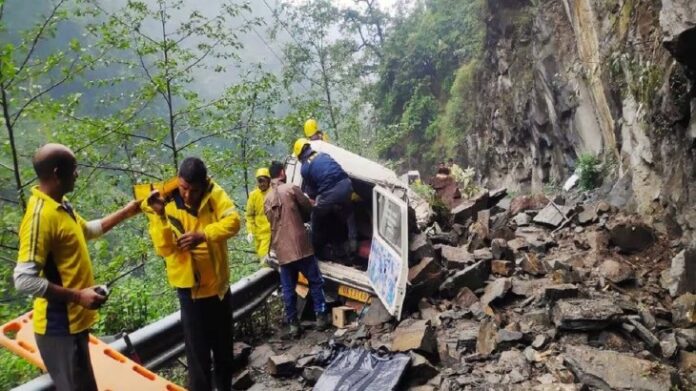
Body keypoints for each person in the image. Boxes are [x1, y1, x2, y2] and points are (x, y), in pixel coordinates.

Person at [14, 143, 141, 391]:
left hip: (74, 325)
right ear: (57, 172)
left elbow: (87, 230)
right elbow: (23, 280)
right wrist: (77, 296)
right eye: (74, 169)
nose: (77, 174)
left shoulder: (61, 206)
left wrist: (128, 211)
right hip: (58, 327)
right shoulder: (40, 217)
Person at [141, 157, 240, 391]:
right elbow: (163, 249)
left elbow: (234, 222)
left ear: (204, 184)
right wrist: (160, 217)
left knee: (224, 351)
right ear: (178, 180)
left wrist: (203, 235)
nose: (187, 195)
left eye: (193, 191)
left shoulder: (215, 194)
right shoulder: (164, 202)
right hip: (190, 293)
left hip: (218, 288)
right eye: (184, 188)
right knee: (198, 358)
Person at [264, 161, 328, 338]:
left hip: (282, 252)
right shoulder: (291, 188)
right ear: (283, 173)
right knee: (315, 281)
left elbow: (272, 222)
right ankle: (321, 317)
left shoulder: (267, 199)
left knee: (288, 289)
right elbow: (307, 207)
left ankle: (293, 325)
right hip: (300, 246)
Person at [292, 138, 353, 261]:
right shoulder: (323, 154)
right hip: (347, 185)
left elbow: (313, 192)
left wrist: (312, 202)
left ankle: (317, 251)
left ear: (299, 155)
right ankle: (345, 250)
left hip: (333, 192)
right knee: (338, 216)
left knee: (316, 215)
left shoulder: (305, 168)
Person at [245, 168, 271, 264]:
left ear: (268, 180)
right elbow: (249, 215)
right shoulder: (254, 195)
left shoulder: (273, 193)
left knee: (265, 258)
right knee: (261, 255)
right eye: (259, 181)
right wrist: (250, 231)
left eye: (263, 181)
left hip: (270, 233)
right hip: (258, 234)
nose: (261, 184)